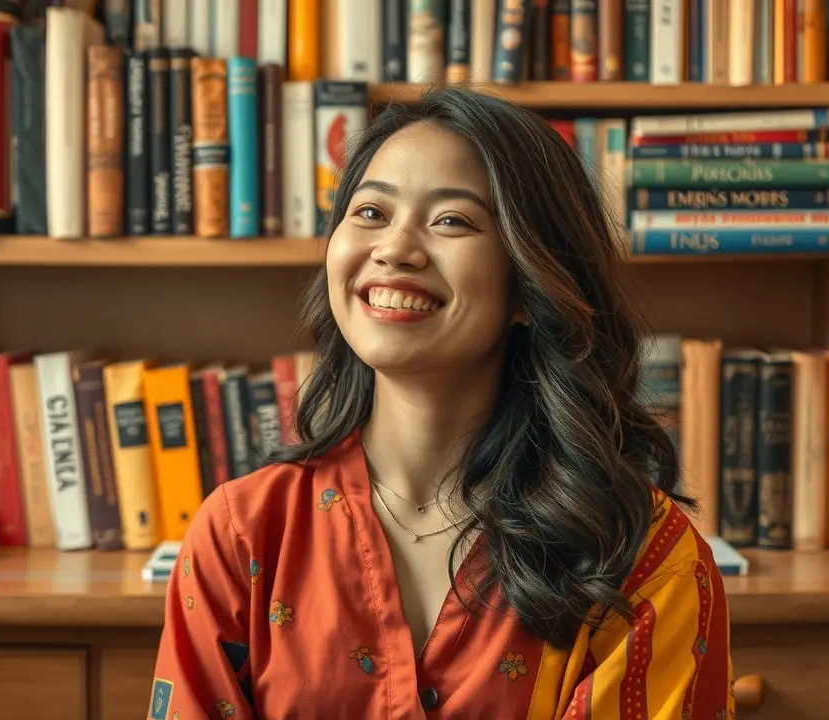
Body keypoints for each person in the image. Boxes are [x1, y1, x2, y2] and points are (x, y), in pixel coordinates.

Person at [148, 86, 734, 719]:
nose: (395, 249)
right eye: (370, 213)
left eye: (452, 220)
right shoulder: (243, 534)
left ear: (528, 285)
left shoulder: (641, 554)